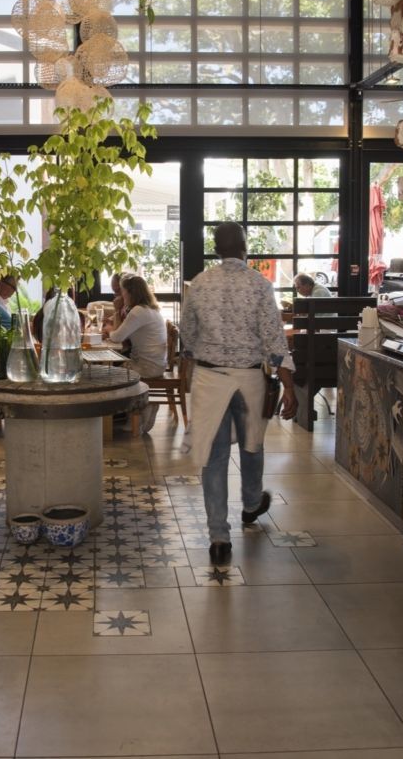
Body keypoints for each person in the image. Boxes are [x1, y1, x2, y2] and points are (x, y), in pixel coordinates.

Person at [180, 222, 298, 567]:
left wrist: (197, 358)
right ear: (245, 247)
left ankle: (219, 538)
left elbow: (187, 335)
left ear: (216, 248)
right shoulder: (259, 284)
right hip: (249, 379)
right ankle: (251, 503)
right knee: (252, 445)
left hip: (209, 379)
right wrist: (289, 387)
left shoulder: (199, 284)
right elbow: (275, 341)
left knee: (214, 457)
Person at [107, 274, 167, 433]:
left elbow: (117, 337)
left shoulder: (138, 312)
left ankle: (135, 416)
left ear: (130, 293)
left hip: (146, 366)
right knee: (115, 368)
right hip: (157, 364)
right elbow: (119, 335)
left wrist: (115, 311)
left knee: (110, 373)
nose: (121, 296)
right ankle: (131, 415)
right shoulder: (149, 309)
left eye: (123, 292)